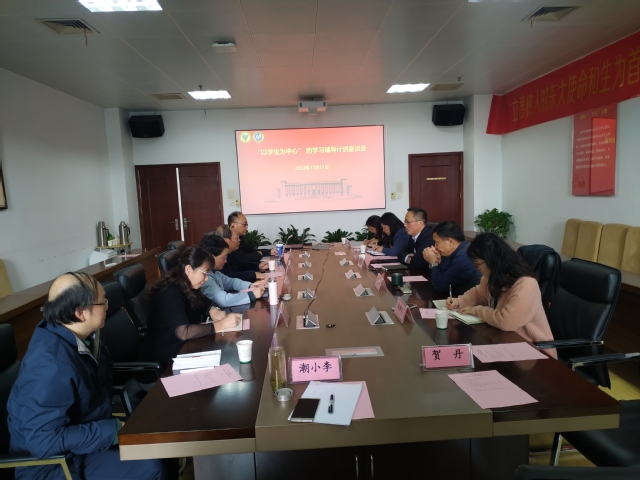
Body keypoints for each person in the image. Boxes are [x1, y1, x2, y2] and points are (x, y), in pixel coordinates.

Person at [7, 272, 176, 480]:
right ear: (80, 313)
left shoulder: (87, 337)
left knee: (164, 438)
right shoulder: (50, 365)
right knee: (150, 467)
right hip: (53, 464)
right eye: (103, 302)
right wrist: (112, 431)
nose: (107, 306)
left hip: (83, 438)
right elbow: (43, 441)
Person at [446, 232, 555, 347]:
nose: (476, 268)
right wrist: (459, 301)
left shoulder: (526, 284)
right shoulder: (492, 278)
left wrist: (476, 310)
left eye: (477, 264)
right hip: (503, 341)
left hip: (532, 347)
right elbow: (477, 294)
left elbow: (506, 322)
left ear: (491, 260)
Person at [141, 246, 241, 370]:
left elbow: (203, 301)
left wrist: (212, 310)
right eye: (204, 273)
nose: (206, 279)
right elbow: (183, 332)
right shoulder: (169, 293)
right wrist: (221, 325)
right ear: (189, 269)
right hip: (165, 363)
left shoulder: (185, 284)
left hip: (183, 350)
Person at [200, 234, 266, 307]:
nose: (225, 261)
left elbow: (231, 282)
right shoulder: (205, 278)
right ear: (212, 257)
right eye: (223, 257)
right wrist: (251, 295)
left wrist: (250, 285)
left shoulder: (214, 272)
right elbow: (224, 300)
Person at [423, 221, 481, 296]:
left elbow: (441, 287)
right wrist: (439, 262)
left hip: (472, 301)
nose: (435, 247)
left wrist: (433, 263)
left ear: (450, 241)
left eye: (437, 242)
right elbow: (443, 277)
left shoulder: (463, 257)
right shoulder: (458, 251)